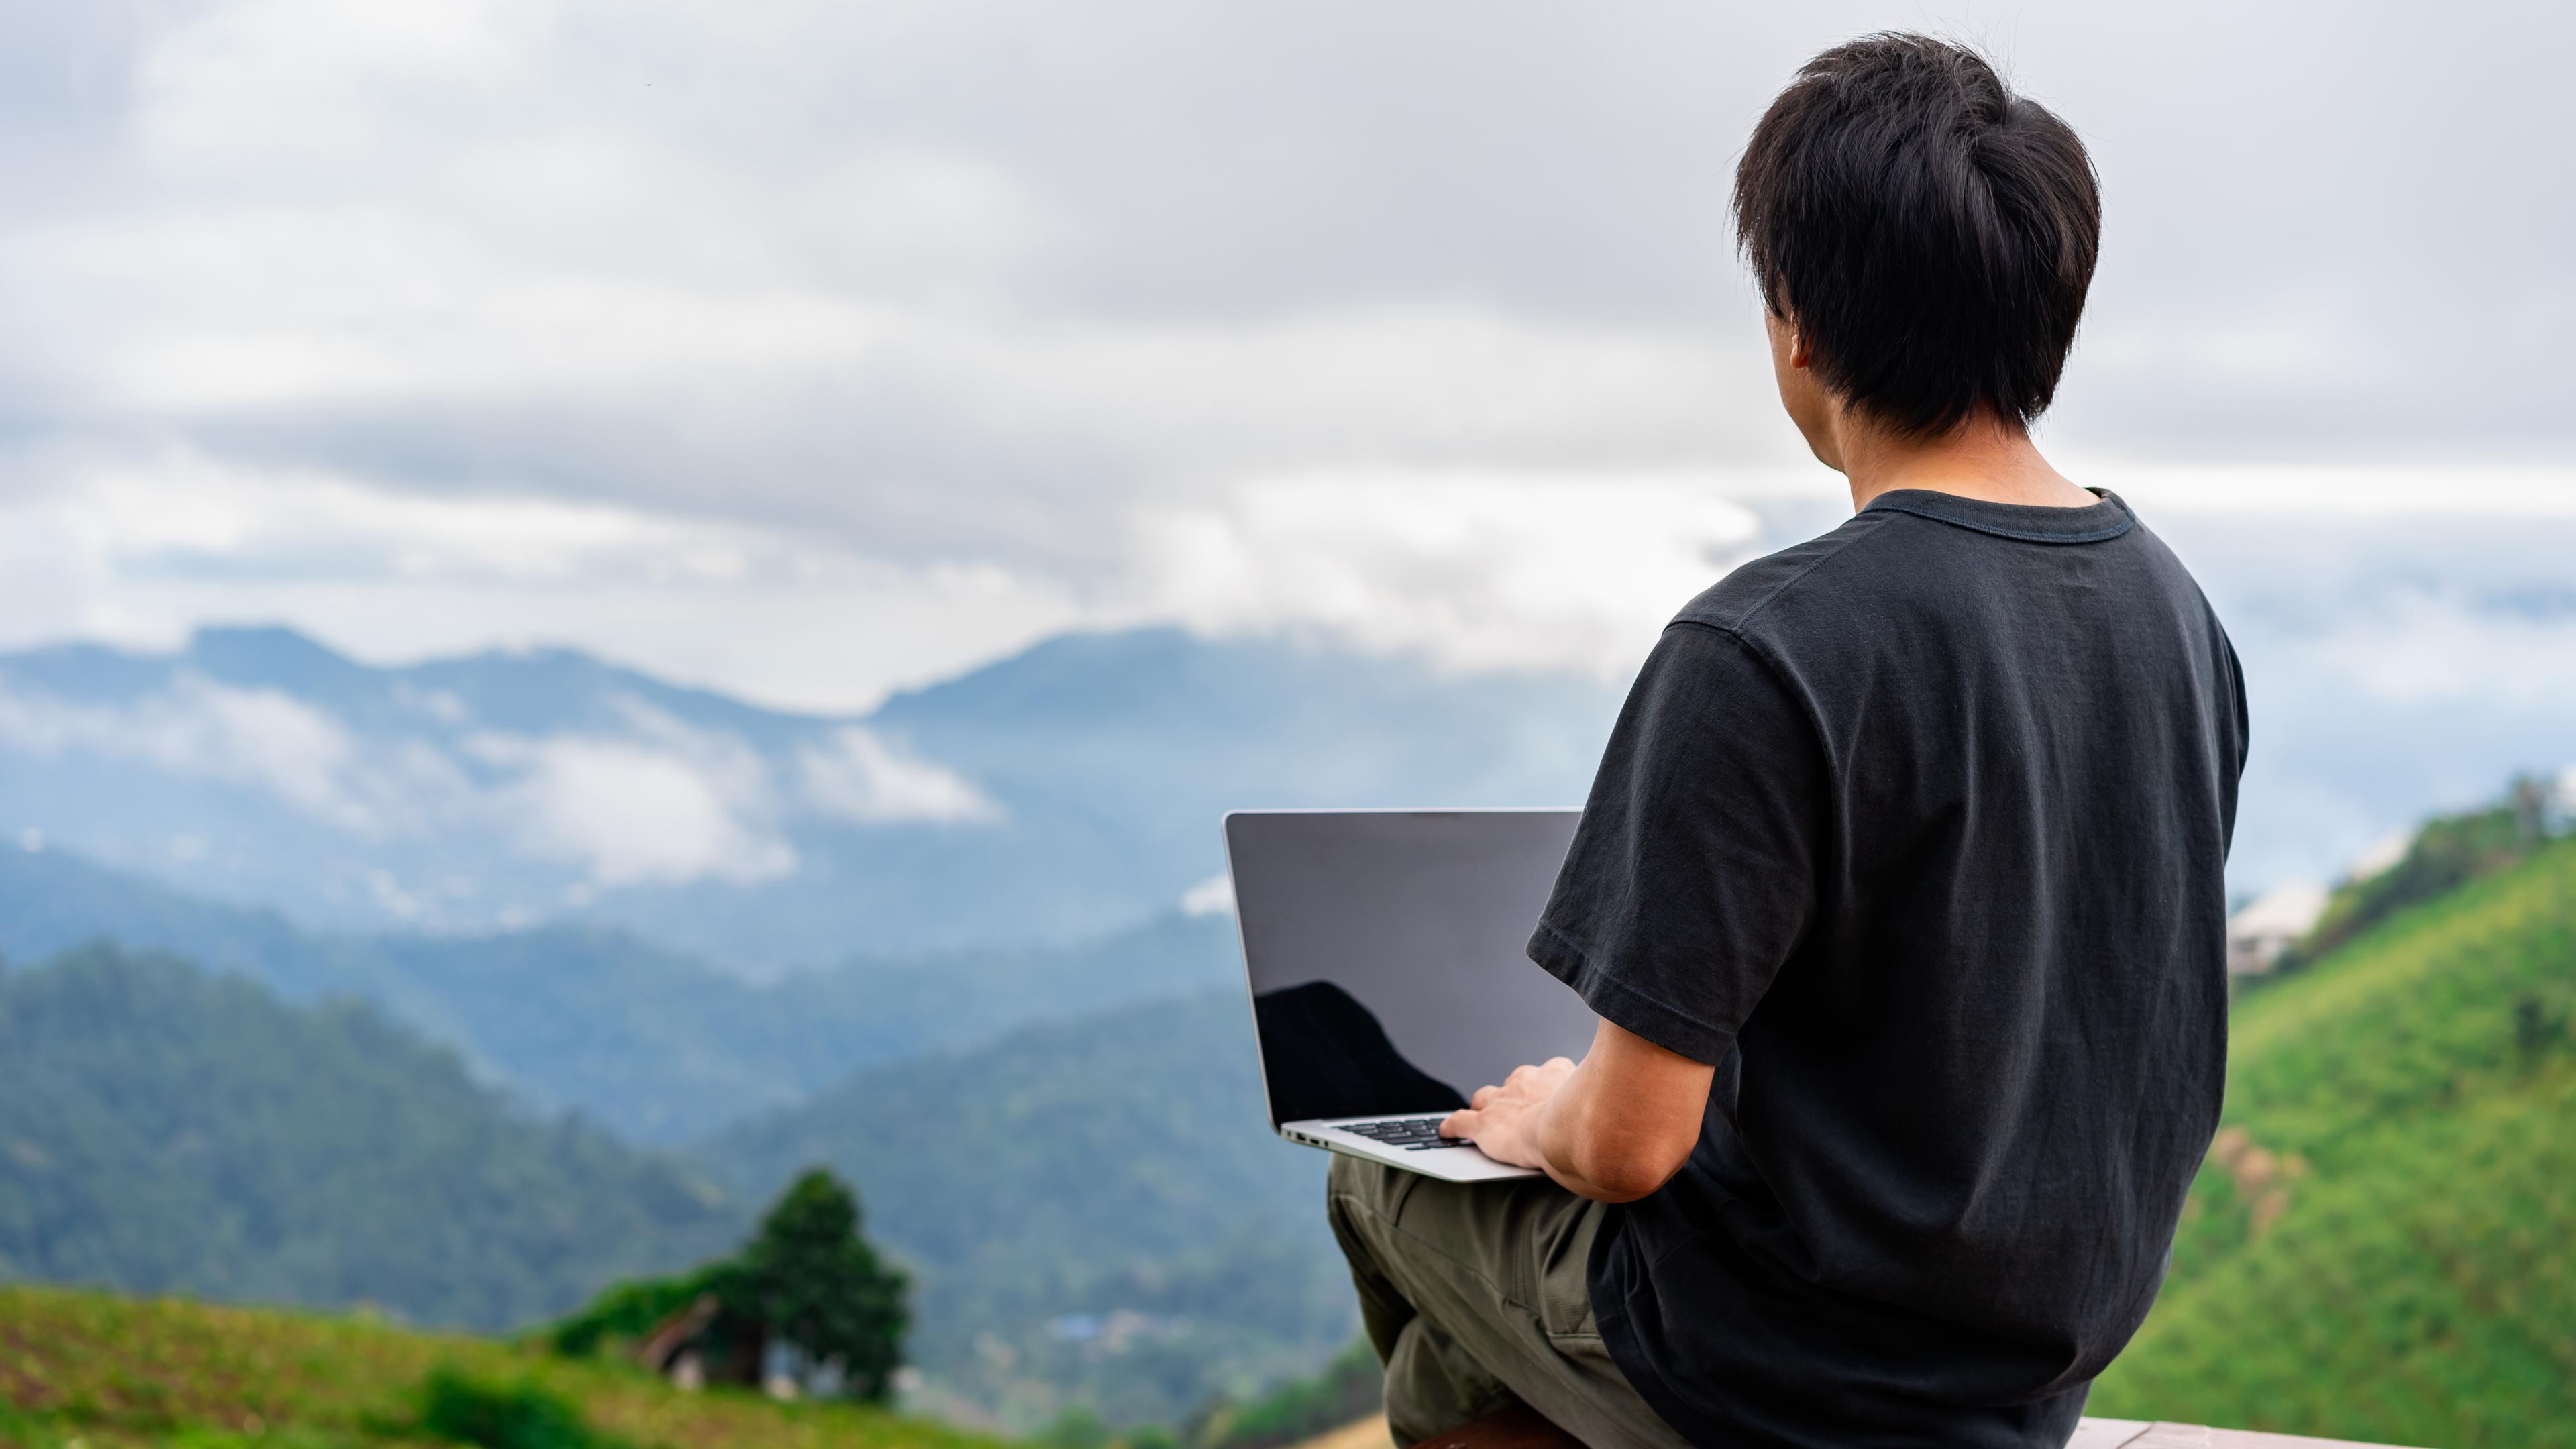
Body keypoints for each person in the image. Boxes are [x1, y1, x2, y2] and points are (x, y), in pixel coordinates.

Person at [1326, 33, 2247, 1449]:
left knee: (1386, 1185)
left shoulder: (1762, 649)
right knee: (1471, 1332)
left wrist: (1540, 1118)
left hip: (1785, 1368)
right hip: (2025, 1377)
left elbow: (1628, 1151)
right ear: (2049, 312)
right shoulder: (2175, 613)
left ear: (1799, 325)